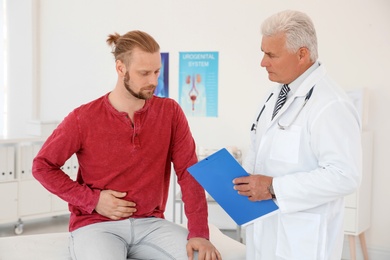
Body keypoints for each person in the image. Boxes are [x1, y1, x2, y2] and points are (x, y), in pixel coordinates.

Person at [33, 30, 221, 260]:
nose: (153, 81)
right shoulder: (83, 118)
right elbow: (42, 166)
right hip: (96, 226)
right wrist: (93, 200)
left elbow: (189, 172)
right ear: (121, 68)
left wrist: (200, 233)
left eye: (157, 72)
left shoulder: (170, 112)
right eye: (144, 73)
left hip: (151, 225)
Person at [233, 10, 362, 260]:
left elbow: (345, 175)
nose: (262, 62)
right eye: (263, 52)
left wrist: (273, 187)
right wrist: (243, 182)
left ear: (302, 54)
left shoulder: (331, 104)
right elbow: (259, 149)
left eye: (271, 55)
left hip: (302, 241)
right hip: (265, 229)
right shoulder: (273, 97)